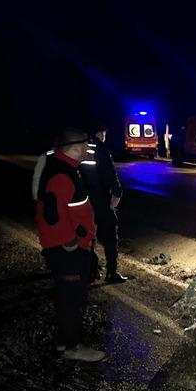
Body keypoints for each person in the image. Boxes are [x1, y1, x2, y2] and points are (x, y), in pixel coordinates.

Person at [34, 128, 105, 362]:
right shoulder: (62, 174)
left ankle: (63, 343)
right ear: (76, 148)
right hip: (67, 250)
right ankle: (74, 347)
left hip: (67, 248)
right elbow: (53, 214)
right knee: (73, 300)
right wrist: (71, 243)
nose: (88, 150)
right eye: (85, 146)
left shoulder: (64, 168)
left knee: (67, 298)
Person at [79, 128, 126, 283]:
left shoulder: (81, 146)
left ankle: (91, 270)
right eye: (104, 132)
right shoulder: (99, 147)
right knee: (110, 233)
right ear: (100, 132)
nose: (105, 135)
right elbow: (108, 171)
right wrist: (117, 191)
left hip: (84, 199)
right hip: (101, 198)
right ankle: (111, 272)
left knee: (88, 235)